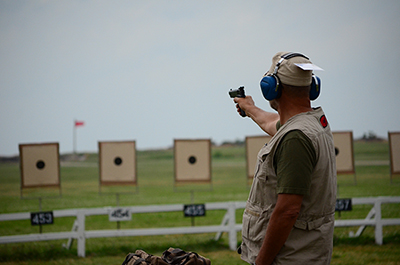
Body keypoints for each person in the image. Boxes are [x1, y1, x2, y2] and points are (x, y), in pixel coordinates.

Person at [233, 52, 337, 265]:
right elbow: (275, 124)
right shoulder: (310, 124)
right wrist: (250, 108)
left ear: (271, 87)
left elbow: (288, 211)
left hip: (290, 258)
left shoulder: (295, 138)